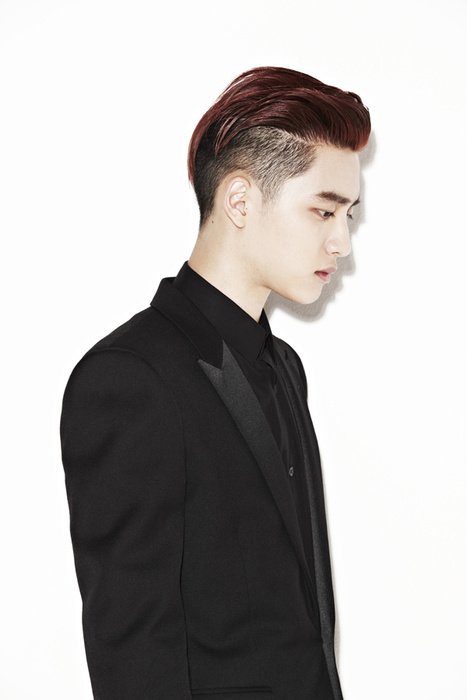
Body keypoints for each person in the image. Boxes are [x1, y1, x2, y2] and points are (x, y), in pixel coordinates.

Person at [60, 65, 371, 700]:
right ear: (239, 201)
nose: (341, 242)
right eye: (323, 210)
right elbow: (134, 658)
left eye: (348, 214)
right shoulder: (129, 379)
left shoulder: (284, 368)